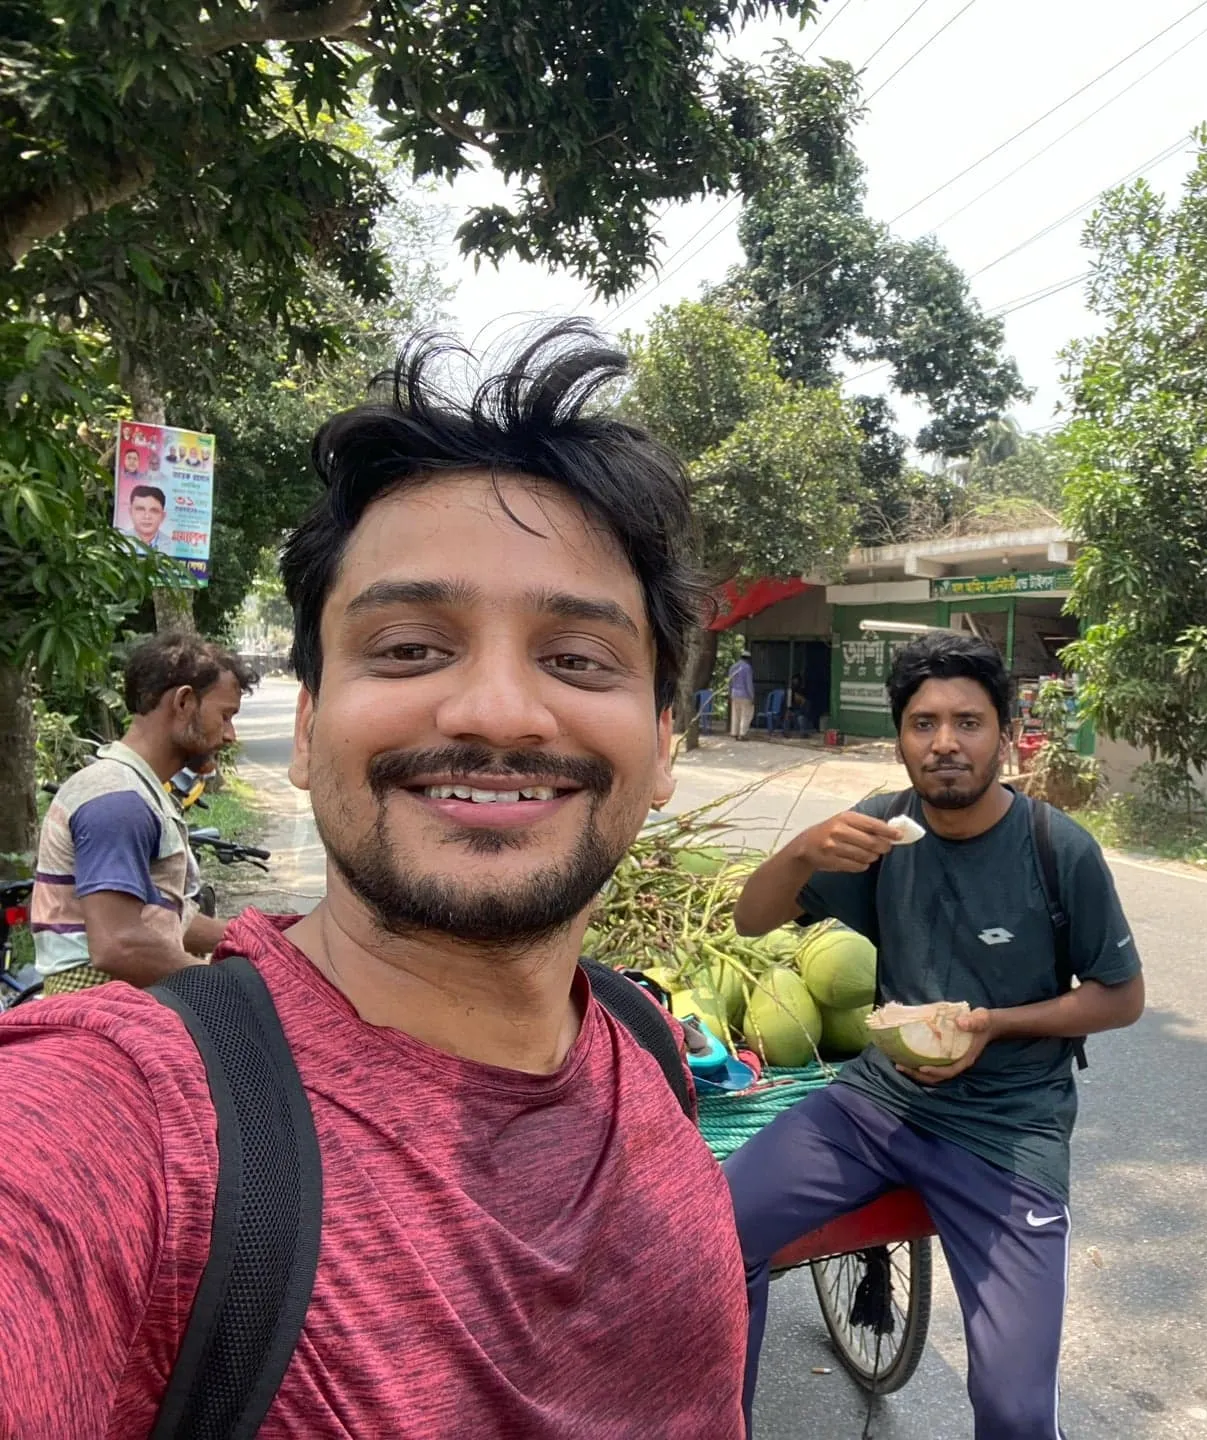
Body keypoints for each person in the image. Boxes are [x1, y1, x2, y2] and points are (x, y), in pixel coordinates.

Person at [0, 322, 746, 1437]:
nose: (496, 710)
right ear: (305, 732)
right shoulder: (127, 1130)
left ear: (662, 743)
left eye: (579, 660)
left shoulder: (643, 1043)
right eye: (407, 649)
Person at [727, 632, 1147, 1439]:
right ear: (900, 736)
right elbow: (753, 918)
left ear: (1003, 730)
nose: (945, 743)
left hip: (1008, 1127)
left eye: (968, 722)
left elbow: (1120, 998)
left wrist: (994, 1025)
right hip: (873, 1108)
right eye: (923, 724)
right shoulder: (879, 832)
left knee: (1016, 1412)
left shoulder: (1056, 849)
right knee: (713, 1236)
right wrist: (802, 851)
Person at [30, 633, 252, 994]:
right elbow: (118, 945)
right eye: (225, 716)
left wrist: (255, 940)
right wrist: (221, 985)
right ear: (184, 702)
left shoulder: (138, 790)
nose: (229, 735)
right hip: (98, 1006)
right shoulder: (118, 799)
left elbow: (163, 922)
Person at [127, 482, 168, 549]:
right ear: (130, 512)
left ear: (163, 516)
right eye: (140, 509)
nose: (147, 516)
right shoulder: (118, 541)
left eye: (154, 511)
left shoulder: (174, 547)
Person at [727, 650, 755, 738]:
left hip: (734, 694)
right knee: (745, 714)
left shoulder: (733, 667)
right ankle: (742, 734)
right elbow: (749, 683)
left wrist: (729, 693)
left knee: (735, 714)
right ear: (748, 659)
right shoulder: (747, 668)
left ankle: (734, 733)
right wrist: (752, 696)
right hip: (745, 695)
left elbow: (730, 683)